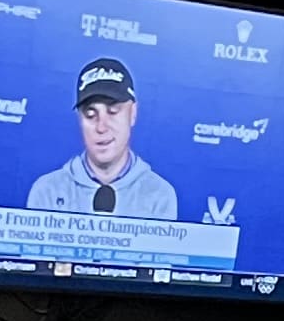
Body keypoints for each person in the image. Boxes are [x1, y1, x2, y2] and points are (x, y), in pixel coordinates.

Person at [26, 58, 179, 222]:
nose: (101, 127)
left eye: (112, 111)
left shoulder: (160, 194)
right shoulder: (47, 190)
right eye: (90, 115)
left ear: (133, 113)